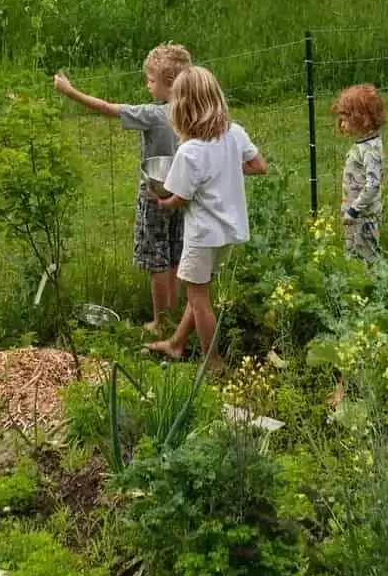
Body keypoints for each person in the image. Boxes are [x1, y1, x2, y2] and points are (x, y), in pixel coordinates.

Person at [53, 44, 194, 332]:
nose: (147, 85)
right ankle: (172, 315)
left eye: (151, 80)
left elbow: (107, 109)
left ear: (168, 83)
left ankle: (159, 321)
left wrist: (70, 91)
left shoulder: (154, 115)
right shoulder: (190, 112)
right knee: (173, 256)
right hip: (180, 194)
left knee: (156, 260)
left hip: (155, 196)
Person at [147, 66, 267, 360]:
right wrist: (223, 168)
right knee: (198, 291)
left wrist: (161, 201)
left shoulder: (190, 152)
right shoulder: (234, 134)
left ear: (184, 107)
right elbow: (258, 166)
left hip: (202, 235)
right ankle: (176, 344)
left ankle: (213, 364)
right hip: (228, 232)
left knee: (199, 300)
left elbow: (178, 198)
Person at [335, 83, 387, 262]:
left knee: (368, 259)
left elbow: (373, 185)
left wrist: (354, 210)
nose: (341, 124)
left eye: (345, 118)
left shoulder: (369, 150)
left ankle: (376, 287)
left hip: (363, 217)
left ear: (361, 118)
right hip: (355, 216)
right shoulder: (365, 144)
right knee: (353, 259)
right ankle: (356, 288)